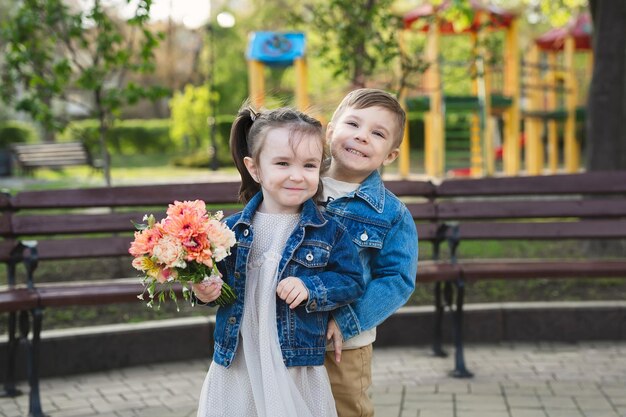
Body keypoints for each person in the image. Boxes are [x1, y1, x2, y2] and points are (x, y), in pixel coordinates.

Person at [193, 105, 365, 417]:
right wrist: (204, 289)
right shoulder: (228, 232)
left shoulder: (328, 232)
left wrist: (311, 286)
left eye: (309, 165)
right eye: (283, 163)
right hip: (241, 357)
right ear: (255, 168)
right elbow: (217, 284)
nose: (297, 176)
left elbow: (352, 281)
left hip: (293, 361)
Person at [322, 88, 419, 417]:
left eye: (377, 133)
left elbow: (397, 279)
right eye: (353, 124)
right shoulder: (296, 185)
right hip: (285, 334)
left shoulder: (392, 214)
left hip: (343, 346)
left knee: (345, 409)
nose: (362, 137)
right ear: (331, 131)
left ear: (390, 155)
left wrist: (347, 322)